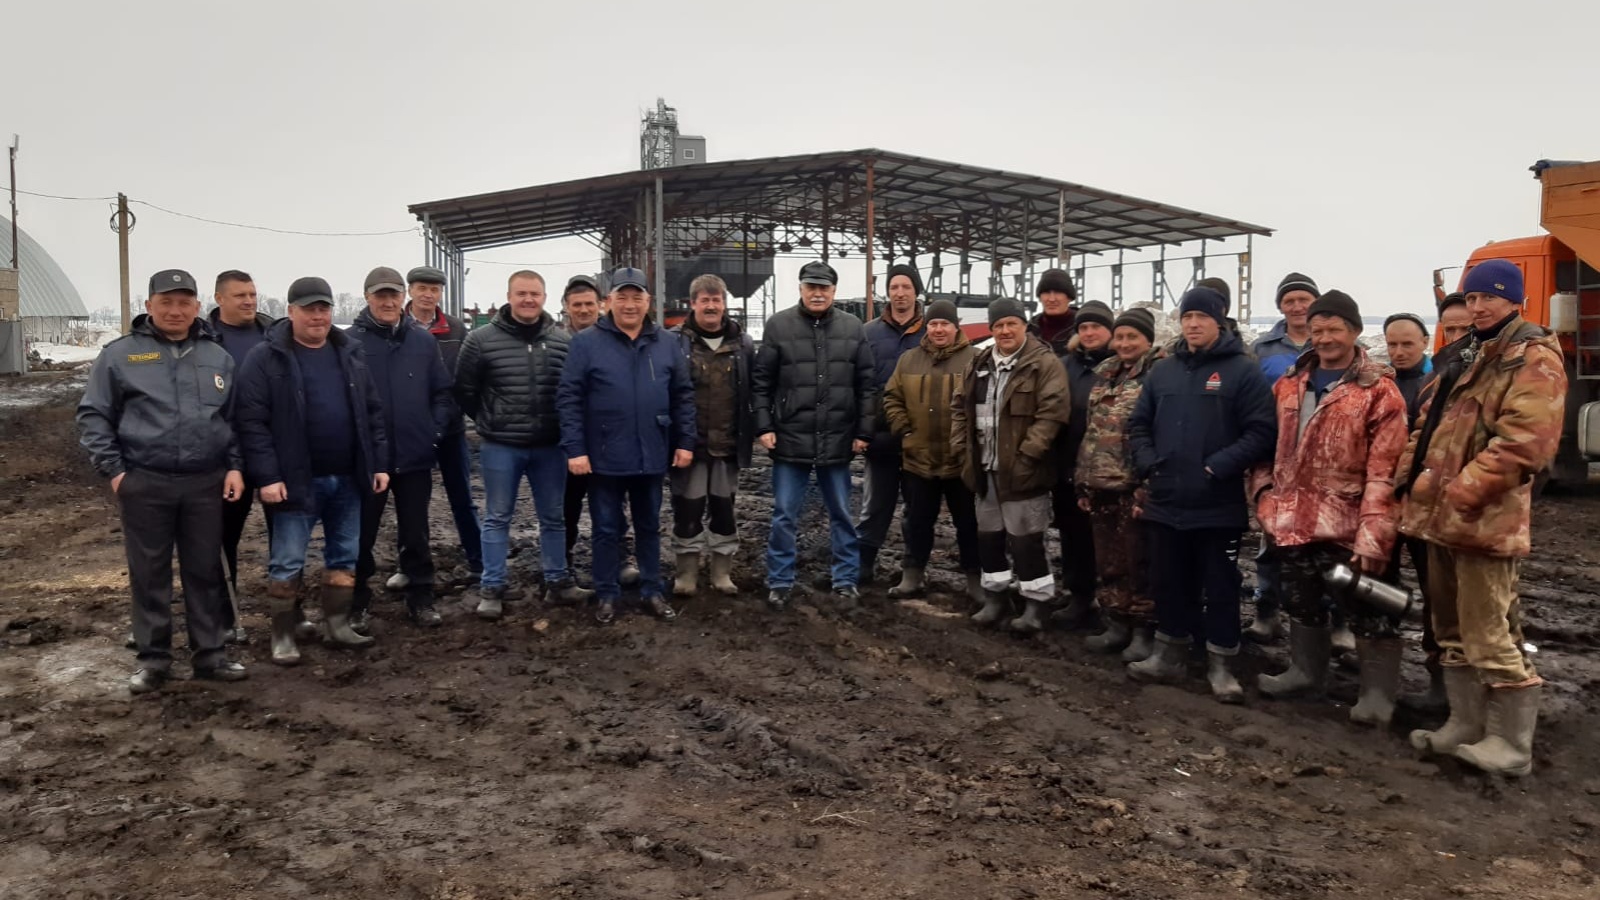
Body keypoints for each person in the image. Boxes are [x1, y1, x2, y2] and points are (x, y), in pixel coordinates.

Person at [1399, 259, 1566, 777]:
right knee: (1449, 628)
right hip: (1440, 517)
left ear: (1515, 300)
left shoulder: (1531, 358)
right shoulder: (1469, 354)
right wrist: (1409, 483)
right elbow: (1428, 428)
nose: (1477, 306)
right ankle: (1464, 724)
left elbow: (1526, 443)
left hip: (1485, 519)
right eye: (1471, 298)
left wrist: (1461, 492)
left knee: (1488, 632)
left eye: (1489, 297)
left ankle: (1511, 744)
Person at [78, 269, 249, 693]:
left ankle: (210, 654)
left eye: (184, 302)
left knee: (204, 570)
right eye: (166, 302)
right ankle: (154, 660)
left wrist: (234, 466)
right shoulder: (120, 355)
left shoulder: (217, 357)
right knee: (149, 574)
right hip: (145, 482)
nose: (176, 310)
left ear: (197, 306)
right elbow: (94, 415)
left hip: (204, 483)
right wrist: (116, 471)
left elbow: (232, 420)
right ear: (149, 305)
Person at [1251, 291, 1409, 725]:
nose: (1324, 338)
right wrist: (1264, 495)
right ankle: (1305, 672)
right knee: (1300, 599)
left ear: (1354, 331)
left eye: (1334, 329)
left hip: (1348, 528)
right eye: (1317, 330)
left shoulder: (1379, 392)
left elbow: (1386, 471)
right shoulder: (1289, 385)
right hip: (1293, 520)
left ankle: (1377, 696)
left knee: (1369, 608)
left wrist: (1374, 535)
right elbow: (1264, 447)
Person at [1126, 285, 1276, 703]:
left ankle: (1221, 662)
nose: (1193, 324)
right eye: (1187, 317)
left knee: (1221, 584)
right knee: (1168, 580)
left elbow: (1262, 431)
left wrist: (1218, 466)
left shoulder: (1242, 371)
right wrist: (1149, 462)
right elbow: (1139, 423)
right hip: (1166, 499)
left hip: (1216, 504)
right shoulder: (1164, 371)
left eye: (1202, 317)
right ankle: (1169, 652)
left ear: (1219, 321)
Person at [234, 276, 387, 665]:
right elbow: (251, 423)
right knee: (287, 559)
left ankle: (337, 625)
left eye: (323, 308)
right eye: (309, 309)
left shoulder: (348, 352)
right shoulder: (265, 358)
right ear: (291, 311)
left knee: (344, 554)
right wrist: (268, 476)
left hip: (349, 478)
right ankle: (283, 634)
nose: (317, 316)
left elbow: (372, 413)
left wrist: (378, 463)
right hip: (295, 481)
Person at [558, 266, 695, 624]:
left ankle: (652, 590)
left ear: (649, 302)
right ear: (609, 301)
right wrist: (576, 449)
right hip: (604, 455)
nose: (630, 304)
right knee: (605, 528)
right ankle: (607, 593)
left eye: (637, 297)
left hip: (652, 451)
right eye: (623, 297)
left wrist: (685, 441)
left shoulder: (666, 343)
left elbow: (682, 396)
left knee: (649, 526)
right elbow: (569, 399)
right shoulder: (586, 343)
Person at [455, 270, 592, 620]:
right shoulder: (480, 340)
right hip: (501, 445)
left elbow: (570, 393)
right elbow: (465, 390)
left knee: (554, 517)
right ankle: (492, 586)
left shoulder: (563, 341)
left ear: (544, 297)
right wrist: (491, 419)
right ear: (509, 296)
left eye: (534, 293)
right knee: (497, 517)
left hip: (550, 446)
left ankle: (557, 581)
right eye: (521, 293)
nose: (528, 299)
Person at [751, 260, 876, 612]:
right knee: (784, 515)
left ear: (834, 291)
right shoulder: (779, 325)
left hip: (838, 437)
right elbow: (762, 383)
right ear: (801, 289)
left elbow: (867, 385)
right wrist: (764, 426)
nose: (817, 293)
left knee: (842, 514)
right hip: (790, 437)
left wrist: (864, 431)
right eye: (811, 287)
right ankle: (780, 581)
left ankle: (845, 580)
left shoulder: (853, 328)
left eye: (824, 288)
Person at [953, 298, 1072, 632]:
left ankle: (1036, 605)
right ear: (991, 329)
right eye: (999, 325)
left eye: (1011, 324)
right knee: (989, 539)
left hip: (1024, 472)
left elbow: (1052, 413)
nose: (1005, 331)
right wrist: (961, 450)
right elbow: (959, 407)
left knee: (1027, 541)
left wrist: (1028, 456)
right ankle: (996, 598)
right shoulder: (979, 363)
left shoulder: (1043, 364)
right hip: (985, 469)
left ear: (1024, 326)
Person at [348, 266, 455, 628]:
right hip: (368, 460)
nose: (388, 302)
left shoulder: (422, 341)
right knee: (361, 533)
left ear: (402, 296)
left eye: (393, 295)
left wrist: (432, 432)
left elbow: (442, 392)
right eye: (380, 295)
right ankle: (357, 602)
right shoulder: (350, 343)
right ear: (367, 297)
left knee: (416, 531)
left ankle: (421, 597)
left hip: (414, 454)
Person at [1076, 307, 1162, 661]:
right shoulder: (1106, 374)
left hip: (1132, 484)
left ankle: (1143, 630)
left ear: (1148, 340)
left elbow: (1157, 433)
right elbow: (1091, 433)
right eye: (1121, 336)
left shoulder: (1157, 376)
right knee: (1109, 560)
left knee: (1139, 561)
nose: (1125, 343)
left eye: (1133, 337)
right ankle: (1116, 622)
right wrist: (1083, 482)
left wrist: (1147, 485)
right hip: (1100, 483)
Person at [881, 298, 980, 599]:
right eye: (933, 323)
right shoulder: (909, 360)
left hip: (961, 461)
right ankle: (912, 576)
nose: (938, 329)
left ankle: (975, 580)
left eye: (945, 324)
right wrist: (904, 430)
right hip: (918, 458)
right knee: (917, 521)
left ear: (956, 327)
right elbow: (892, 397)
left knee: (970, 524)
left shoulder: (976, 359)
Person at [669, 274, 756, 598]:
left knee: (724, 510)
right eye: (704, 300)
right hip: (689, 447)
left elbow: (753, 391)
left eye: (716, 300)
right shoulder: (675, 342)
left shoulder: (743, 344)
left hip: (727, 446)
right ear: (692, 304)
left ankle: (722, 573)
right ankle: (686, 574)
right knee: (687, 510)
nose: (710, 306)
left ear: (724, 304)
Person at [1246, 272, 1321, 644]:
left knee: (1325, 544)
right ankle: (1267, 611)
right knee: (1271, 538)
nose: (1297, 306)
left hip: (1323, 458)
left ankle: (1328, 621)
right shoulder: (1263, 349)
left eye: (1303, 299)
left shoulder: (1332, 340)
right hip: (1277, 454)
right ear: (1280, 306)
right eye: (1289, 300)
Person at [207, 269, 276, 644]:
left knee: (285, 535)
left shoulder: (272, 335)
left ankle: (289, 610)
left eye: (252, 294)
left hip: (272, 453)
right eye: (240, 295)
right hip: (225, 457)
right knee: (223, 537)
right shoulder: (205, 340)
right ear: (220, 299)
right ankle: (223, 614)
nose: (249, 301)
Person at [1384, 310, 1446, 711]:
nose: (1399, 351)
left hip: (1426, 506)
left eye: (1407, 343)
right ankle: (1381, 666)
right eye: (1392, 344)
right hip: (1385, 505)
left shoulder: (1439, 384)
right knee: (1381, 584)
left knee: (1435, 591)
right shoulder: (1382, 385)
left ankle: (1440, 679)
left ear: (1425, 342)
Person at [404, 264, 481, 584]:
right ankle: (410, 566)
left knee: (462, 496)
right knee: (412, 503)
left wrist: (454, 413)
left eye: (434, 289)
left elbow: (465, 377)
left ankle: (478, 561)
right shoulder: (397, 326)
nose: (428, 295)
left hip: (450, 429)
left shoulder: (456, 329)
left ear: (441, 293)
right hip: (410, 430)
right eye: (422, 288)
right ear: (410, 290)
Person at [559, 273, 637, 583]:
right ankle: (563, 563)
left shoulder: (619, 339)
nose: (583, 310)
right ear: (566, 306)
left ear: (601, 304)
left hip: (609, 440)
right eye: (577, 304)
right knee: (566, 505)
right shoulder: (555, 342)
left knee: (614, 505)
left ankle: (620, 559)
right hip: (570, 442)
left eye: (589, 304)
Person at [858, 263, 925, 584]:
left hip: (920, 439)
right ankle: (863, 565)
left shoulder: (932, 331)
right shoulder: (868, 333)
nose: (900, 293)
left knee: (918, 510)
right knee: (875, 506)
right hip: (881, 438)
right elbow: (859, 383)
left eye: (906, 287)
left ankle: (913, 571)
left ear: (916, 292)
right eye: (894, 287)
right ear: (887, 292)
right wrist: (864, 428)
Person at [1051, 299, 1115, 624]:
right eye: (1084, 327)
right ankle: (1079, 595)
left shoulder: (1121, 366)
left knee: (1109, 542)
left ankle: (1113, 606)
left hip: (1109, 470)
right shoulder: (1065, 366)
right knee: (1072, 535)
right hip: (1069, 465)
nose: (1089, 333)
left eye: (1097, 327)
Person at [1027, 268, 1077, 355]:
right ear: (1040, 297)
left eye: (1058, 292)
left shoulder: (1084, 328)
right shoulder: (1029, 330)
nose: (1052, 299)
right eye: (1046, 292)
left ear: (1069, 297)